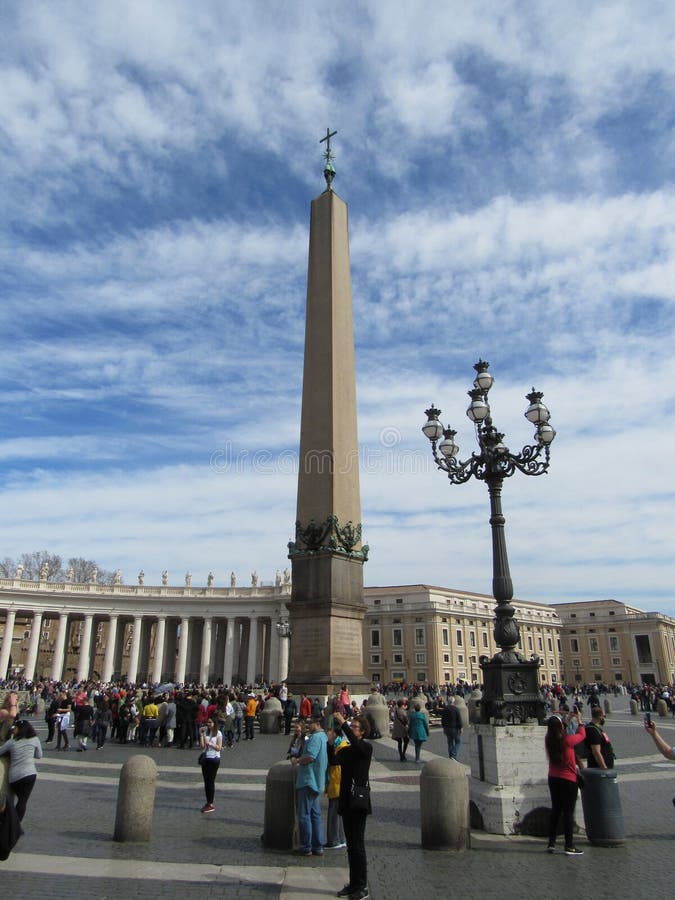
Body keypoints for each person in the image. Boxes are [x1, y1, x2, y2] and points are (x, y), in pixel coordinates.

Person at [330, 712, 372, 900]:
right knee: (351, 847)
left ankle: (362, 886)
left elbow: (357, 746)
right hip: (346, 800)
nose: (352, 728)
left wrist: (343, 722)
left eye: (355, 727)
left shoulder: (365, 748)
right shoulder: (347, 750)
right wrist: (330, 742)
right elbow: (333, 761)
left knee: (358, 846)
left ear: (362, 732)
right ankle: (353, 883)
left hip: (359, 801)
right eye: (352, 726)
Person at [544, 710, 586, 856]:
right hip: (568, 780)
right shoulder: (567, 740)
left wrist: (568, 719)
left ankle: (551, 843)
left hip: (553, 779)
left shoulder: (549, 740)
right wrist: (579, 721)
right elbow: (582, 735)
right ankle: (569, 845)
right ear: (560, 728)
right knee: (568, 813)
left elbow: (558, 729)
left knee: (556, 811)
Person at [290, 716, 328, 856]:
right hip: (318, 780)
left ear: (317, 724)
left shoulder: (315, 738)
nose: (308, 725)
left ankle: (306, 846)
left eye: (310, 723)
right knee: (315, 815)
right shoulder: (324, 737)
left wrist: (298, 760)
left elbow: (310, 756)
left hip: (308, 780)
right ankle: (317, 846)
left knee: (304, 815)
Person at [0, 719, 43, 821]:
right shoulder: (35, 739)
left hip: (15, 776)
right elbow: (39, 755)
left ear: (19, 729)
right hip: (30, 774)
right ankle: (17, 824)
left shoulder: (12, 742)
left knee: (13, 800)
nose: (13, 729)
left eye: (15, 727)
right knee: (23, 801)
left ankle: (10, 822)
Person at [324, 726, 347, 850]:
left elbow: (334, 763)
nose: (328, 733)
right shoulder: (340, 744)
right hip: (336, 783)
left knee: (334, 813)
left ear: (335, 734)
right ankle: (340, 839)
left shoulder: (340, 746)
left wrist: (329, 744)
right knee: (338, 813)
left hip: (337, 783)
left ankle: (334, 840)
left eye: (330, 732)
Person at [198, 716, 222, 813]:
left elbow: (219, 748)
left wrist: (210, 744)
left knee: (210, 781)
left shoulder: (218, 733)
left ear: (214, 724)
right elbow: (202, 746)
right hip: (206, 758)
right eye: (207, 722)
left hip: (214, 759)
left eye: (210, 722)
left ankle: (211, 804)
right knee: (206, 781)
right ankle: (208, 802)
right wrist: (200, 735)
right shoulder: (205, 732)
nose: (208, 724)